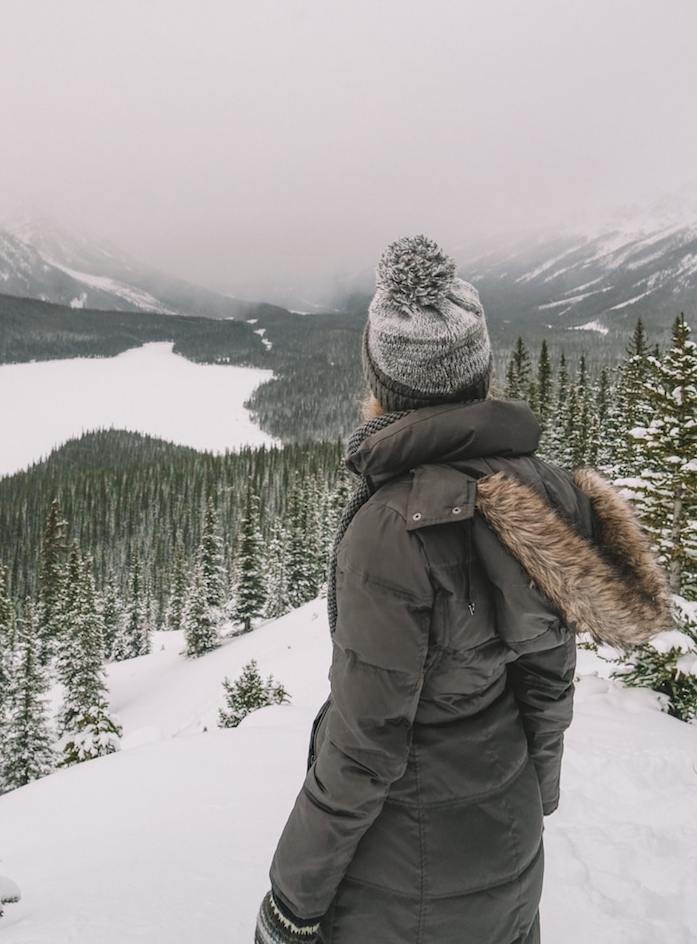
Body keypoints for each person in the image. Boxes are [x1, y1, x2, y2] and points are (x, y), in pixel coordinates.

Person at [255, 236, 674, 944]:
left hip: (403, 879)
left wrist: (291, 902)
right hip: (509, 854)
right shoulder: (549, 493)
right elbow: (548, 682)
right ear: (478, 372)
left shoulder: (389, 529)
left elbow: (366, 744)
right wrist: (532, 794)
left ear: (384, 384)